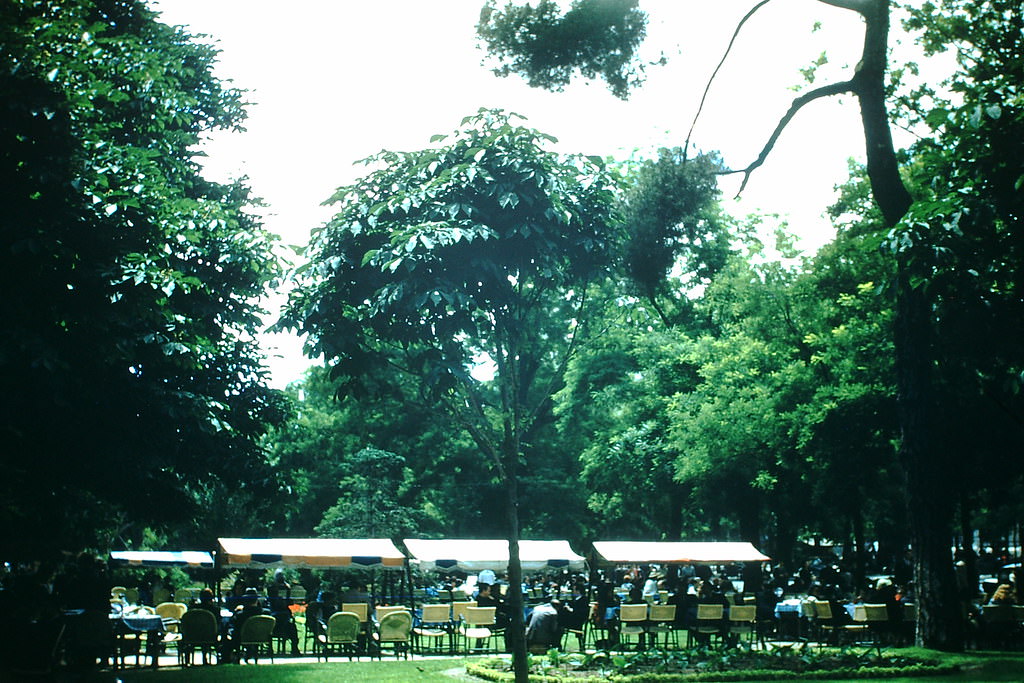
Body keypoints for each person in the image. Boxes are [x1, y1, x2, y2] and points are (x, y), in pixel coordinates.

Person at [221, 587, 268, 664]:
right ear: (256, 600)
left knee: (228, 633)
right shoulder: (265, 614)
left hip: (242, 637)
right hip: (260, 636)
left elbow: (235, 627)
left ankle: (227, 658)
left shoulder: (241, 615)